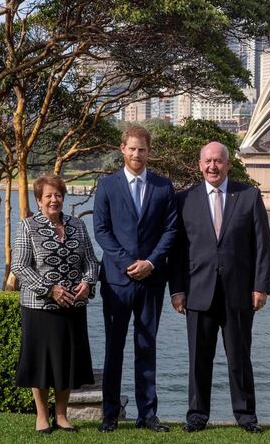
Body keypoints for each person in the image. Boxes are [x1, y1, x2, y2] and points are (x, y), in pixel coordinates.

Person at [170, 141, 270, 434]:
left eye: (218, 161)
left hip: (239, 293)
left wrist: (260, 287)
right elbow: (177, 250)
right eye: (207, 161)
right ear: (199, 165)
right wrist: (176, 290)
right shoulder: (184, 199)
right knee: (198, 360)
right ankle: (197, 415)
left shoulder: (249, 196)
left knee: (239, 359)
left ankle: (245, 415)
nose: (213, 166)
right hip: (197, 292)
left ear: (228, 164)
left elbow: (263, 246)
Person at [93, 125, 177, 433]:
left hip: (151, 281)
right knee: (114, 349)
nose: (137, 154)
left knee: (146, 347)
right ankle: (110, 415)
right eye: (132, 148)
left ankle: (147, 414)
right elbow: (101, 230)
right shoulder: (107, 186)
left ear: (149, 151)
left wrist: (151, 263)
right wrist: (130, 264)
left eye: (142, 149)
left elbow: (171, 231)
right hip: (117, 281)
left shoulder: (163, 187)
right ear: (122, 150)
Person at [11, 174, 98, 434]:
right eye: (48, 196)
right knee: (41, 363)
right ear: (38, 200)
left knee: (66, 361)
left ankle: (62, 416)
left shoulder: (78, 226)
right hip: (39, 307)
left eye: (58, 195)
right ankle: (41, 417)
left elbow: (92, 261)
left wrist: (87, 283)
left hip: (73, 306)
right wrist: (50, 290)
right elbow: (19, 266)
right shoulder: (28, 226)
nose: (53, 200)